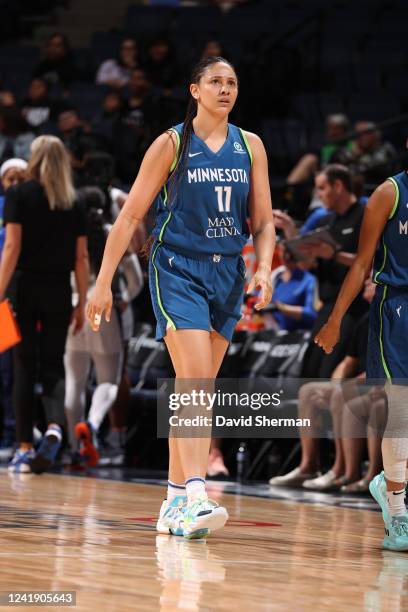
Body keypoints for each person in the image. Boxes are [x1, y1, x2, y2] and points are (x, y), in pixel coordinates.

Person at [86, 56, 275, 538]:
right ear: (194, 90)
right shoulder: (171, 143)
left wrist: (265, 269)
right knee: (193, 381)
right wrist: (103, 281)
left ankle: (171, 501)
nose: (225, 89)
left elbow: (266, 220)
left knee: (197, 389)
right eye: (215, 81)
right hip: (177, 268)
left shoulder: (250, 146)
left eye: (232, 82)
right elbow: (129, 217)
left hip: (229, 273)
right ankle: (194, 492)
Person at [315, 154, 408, 550]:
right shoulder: (389, 192)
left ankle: (391, 479)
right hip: (397, 307)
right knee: (401, 406)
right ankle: (398, 513)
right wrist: (336, 318)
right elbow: (363, 263)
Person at [0, 136, 89, 474]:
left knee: (23, 366)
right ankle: (53, 425)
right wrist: (80, 300)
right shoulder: (75, 201)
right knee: (53, 364)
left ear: (33, 159)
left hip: (23, 288)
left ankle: (23, 446)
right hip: (58, 291)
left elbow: (12, 248)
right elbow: (81, 257)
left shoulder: (18, 194)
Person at [269, 277, 383, 491]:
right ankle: (309, 466)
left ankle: (348, 473)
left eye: (371, 282)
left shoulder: (391, 320)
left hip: (385, 384)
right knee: (309, 391)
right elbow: (348, 362)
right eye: (365, 280)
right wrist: (336, 384)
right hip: (364, 384)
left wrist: (345, 387)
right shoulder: (365, 320)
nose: (366, 283)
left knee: (344, 395)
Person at [64, 187, 143, 467]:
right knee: (108, 380)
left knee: (74, 382)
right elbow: (135, 280)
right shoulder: (114, 231)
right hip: (105, 311)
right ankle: (94, 425)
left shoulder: (70, 233)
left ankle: (75, 448)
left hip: (74, 309)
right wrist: (124, 299)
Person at [298, 164, 367, 379]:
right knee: (309, 371)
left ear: (338, 186)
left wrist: (334, 254)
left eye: (322, 188)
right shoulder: (326, 221)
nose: (319, 195)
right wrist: (293, 236)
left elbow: (369, 263)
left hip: (352, 307)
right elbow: (307, 265)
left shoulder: (365, 214)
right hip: (327, 305)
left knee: (328, 372)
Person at [0, 158, 27, 459]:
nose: (14, 183)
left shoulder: (30, 207)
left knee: (12, 371)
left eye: (20, 178)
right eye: (9, 178)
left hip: (14, 297)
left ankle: (13, 434)